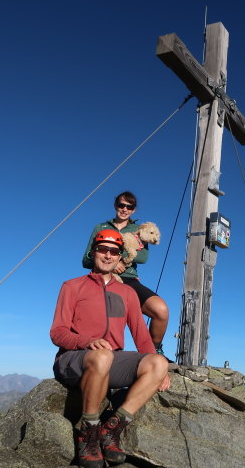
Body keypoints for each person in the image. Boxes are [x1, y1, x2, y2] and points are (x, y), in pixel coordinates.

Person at [52, 229, 171, 468]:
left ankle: (112, 429)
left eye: (114, 251)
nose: (107, 255)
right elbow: (58, 332)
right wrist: (86, 341)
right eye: (102, 249)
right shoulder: (72, 286)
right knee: (103, 355)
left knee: (158, 362)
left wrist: (161, 370)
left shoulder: (127, 293)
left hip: (108, 361)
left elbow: (141, 335)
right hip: (73, 358)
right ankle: (89, 432)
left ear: (120, 258)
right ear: (93, 252)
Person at [82, 191, 170, 357]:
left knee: (161, 310)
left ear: (134, 210)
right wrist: (112, 265)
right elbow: (86, 259)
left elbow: (143, 257)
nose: (124, 209)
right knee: (111, 317)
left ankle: (154, 352)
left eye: (129, 207)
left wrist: (122, 262)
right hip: (103, 279)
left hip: (129, 279)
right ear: (115, 205)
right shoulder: (101, 228)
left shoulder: (138, 229)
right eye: (121, 205)